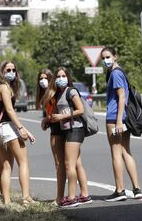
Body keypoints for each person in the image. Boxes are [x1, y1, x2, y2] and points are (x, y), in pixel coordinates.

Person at [39, 69, 92, 207]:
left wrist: (62, 116)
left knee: (69, 164)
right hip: (66, 129)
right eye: (58, 76)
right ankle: (82, 195)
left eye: (63, 76)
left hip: (75, 128)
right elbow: (53, 111)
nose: (61, 78)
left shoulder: (71, 91)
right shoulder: (59, 93)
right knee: (73, 164)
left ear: (68, 77)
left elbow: (80, 110)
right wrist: (47, 119)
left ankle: (71, 197)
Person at [101, 47, 142, 201]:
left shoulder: (116, 73)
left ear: (115, 57)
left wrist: (118, 121)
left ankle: (120, 191)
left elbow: (121, 97)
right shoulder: (120, 72)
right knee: (126, 151)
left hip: (115, 118)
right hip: (124, 118)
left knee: (116, 152)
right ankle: (136, 189)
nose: (105, 60)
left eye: (108, 57)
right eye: (103, 58)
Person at [0, 61, 36, 205]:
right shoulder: (4, 88)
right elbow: (10, 110)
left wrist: (25, 129)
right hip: (8, 129)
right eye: (8, 70)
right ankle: (25, 198)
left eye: (13, 69)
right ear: (2, 71)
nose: (11, 72)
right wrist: (21, 128)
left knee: (6, 166)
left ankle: (6, 201)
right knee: (23, 162)